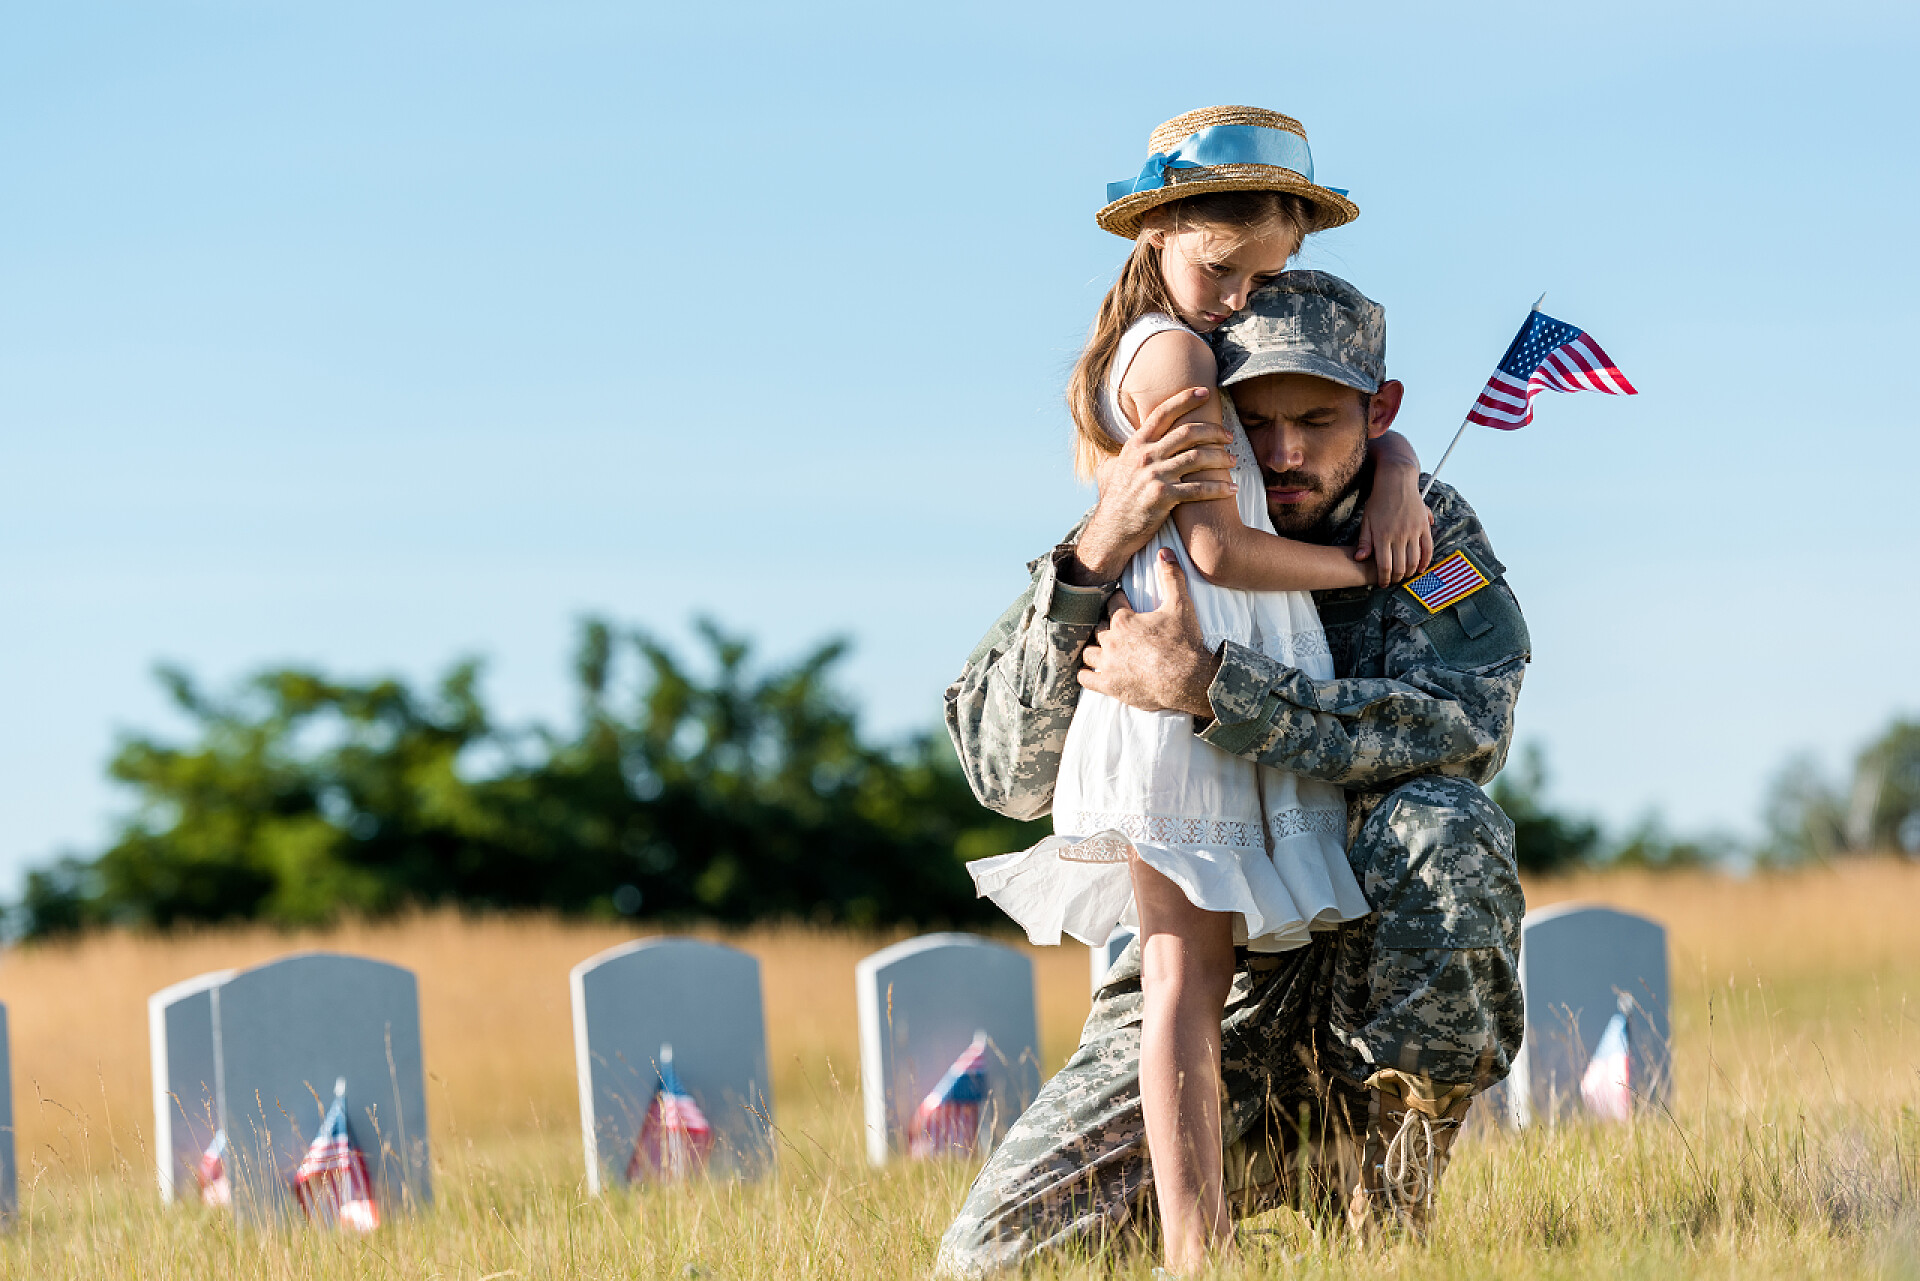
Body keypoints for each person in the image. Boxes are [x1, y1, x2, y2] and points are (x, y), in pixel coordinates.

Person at [936, 270, 1530, 1276]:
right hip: (1205, 977)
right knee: (993, 1262)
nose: (1285, 452)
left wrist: (1215, 688)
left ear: (1378, 411)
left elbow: (1462, 726)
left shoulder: (1426, 536)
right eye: (1253, 421)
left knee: (1446, 826)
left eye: (1322, 419)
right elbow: (1002, 772)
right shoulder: (1143, 527)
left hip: (1361, 949)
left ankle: (1384, 1208)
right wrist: (1093, 553)